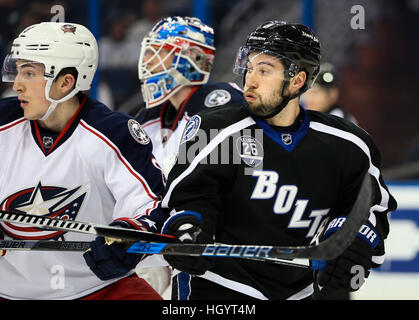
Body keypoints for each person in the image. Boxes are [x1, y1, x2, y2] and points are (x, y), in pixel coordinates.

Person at [159, 21, 397, 300]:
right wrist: (190, 226)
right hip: (219, 284)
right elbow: (187, 199)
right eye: (249, 68)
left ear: (297, 80)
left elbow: (369, 210)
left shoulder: (348, 146)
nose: (250, 80)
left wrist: (350, 240)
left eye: (264, 70)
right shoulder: (214, 129)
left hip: (300, 291)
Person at [0, 22, 167, 300]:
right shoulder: (3, 122)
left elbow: (150, 207)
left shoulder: (114, 133)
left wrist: (129, 234)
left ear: (66, 82)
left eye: (28, 73)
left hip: (97, 288)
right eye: (16, 71)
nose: (16, 84)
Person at [135, 16, 246, 176]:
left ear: (192, 58)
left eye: (158, 51)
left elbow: (249, 166)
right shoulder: (147, 117)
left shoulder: (222, 104)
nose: (147, 60)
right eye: (147, 51)